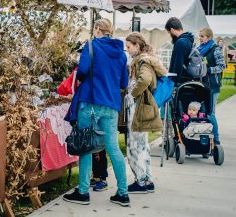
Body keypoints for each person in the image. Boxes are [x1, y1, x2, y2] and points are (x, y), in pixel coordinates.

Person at [63, 18, 130, 206]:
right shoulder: (121, 53)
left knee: (86, 146)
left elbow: (82, 70)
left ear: (98, 29)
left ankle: (83, 192)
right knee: (113, 148)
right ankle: (123, 193)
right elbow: (124, 83)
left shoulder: (91, 46)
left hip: (91, 101)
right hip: (111, 105)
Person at [124, 32, 165, 194]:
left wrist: (132, 94)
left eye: (129, 47)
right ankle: (146, 179)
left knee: (136, 145)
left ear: (137, 45)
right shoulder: (145, 59)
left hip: (138, 107)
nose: (127, 50)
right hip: (139, 106)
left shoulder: (143, 61)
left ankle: (141, 180)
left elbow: (145, 80)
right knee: (141, 144)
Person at [198, 28, 225, 144]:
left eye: (202, 36)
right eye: (199, 36)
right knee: (202, 113)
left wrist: (208, 70)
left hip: (213, 86)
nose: (200, 38)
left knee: (210, 113)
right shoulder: (199, 49)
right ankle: (205, 141)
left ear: (209, 37)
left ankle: (216, 139)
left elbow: (222, 66)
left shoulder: (216, 49)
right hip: (202, 85)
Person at [164, 17, 194, 84]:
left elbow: (178, 66)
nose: (170, 35)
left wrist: (172, 83)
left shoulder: (180, 43)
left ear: (171, 30)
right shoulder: (188, 40)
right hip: (186, 79)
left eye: (169, 33)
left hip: (180, 81)